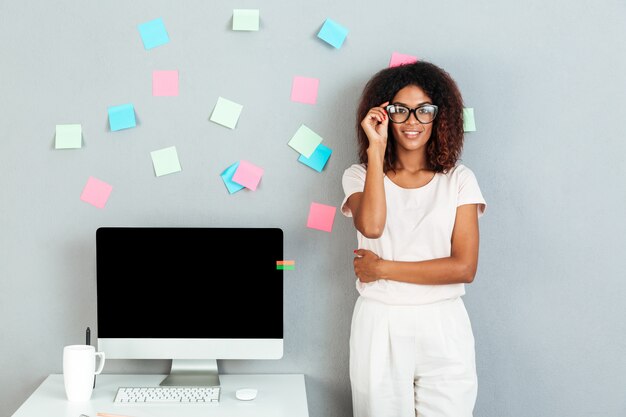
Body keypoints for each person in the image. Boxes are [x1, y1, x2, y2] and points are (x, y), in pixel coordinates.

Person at [340, 60, 487, 417]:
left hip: (444, 323)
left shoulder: (459, 179)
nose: (412, 121)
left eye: (424, 111)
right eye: (400, 110)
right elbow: (372, 227)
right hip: (381, 322)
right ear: (383, 114)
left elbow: (464, 267)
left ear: (440, 116)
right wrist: (376, 149)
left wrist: (382, 267)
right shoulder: (358, 176)